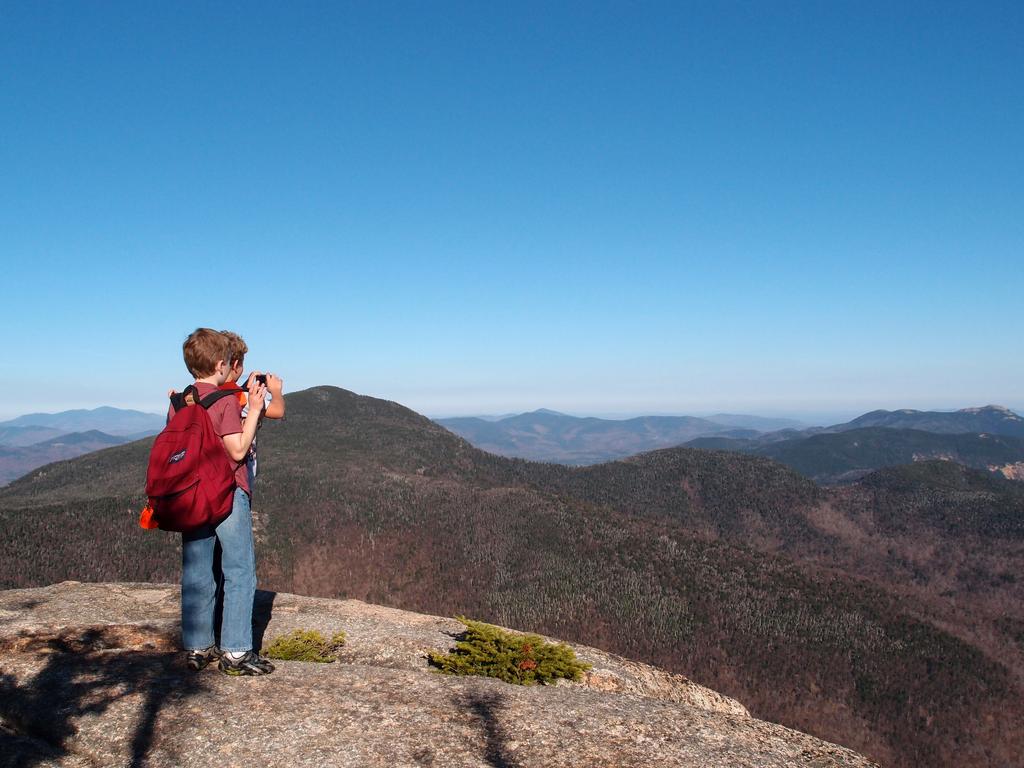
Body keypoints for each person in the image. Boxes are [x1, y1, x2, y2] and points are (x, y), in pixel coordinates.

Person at [175, 327, 274, 676]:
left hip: (190, 495)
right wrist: (257, 408)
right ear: (221, 364)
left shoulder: (180, 400)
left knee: (198, 571)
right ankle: (235, 651)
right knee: (239, 569)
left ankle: (198, 646)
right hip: (227, 492)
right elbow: (236, 449)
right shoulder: (224, 401)